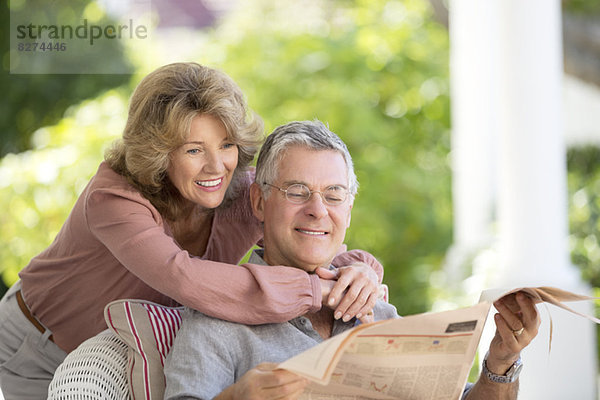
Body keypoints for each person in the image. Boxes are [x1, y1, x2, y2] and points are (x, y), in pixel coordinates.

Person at [0, 63, 384, 398]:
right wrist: (317, 291)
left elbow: (306, 235)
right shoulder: (112, 200)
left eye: (227, 144)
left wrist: (360, 270)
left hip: (128, 341)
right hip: (38, 342)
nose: (217, 167)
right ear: (158, 151)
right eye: (194, 150)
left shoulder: (245, 194)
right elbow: (184, 279)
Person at [163, 120, 541, 400]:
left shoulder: (376, 311)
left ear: (349, 207)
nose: (317, 211)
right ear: (260, 203)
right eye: (297, 192)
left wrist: (500, 361)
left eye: (333, 194)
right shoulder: (216, 320)